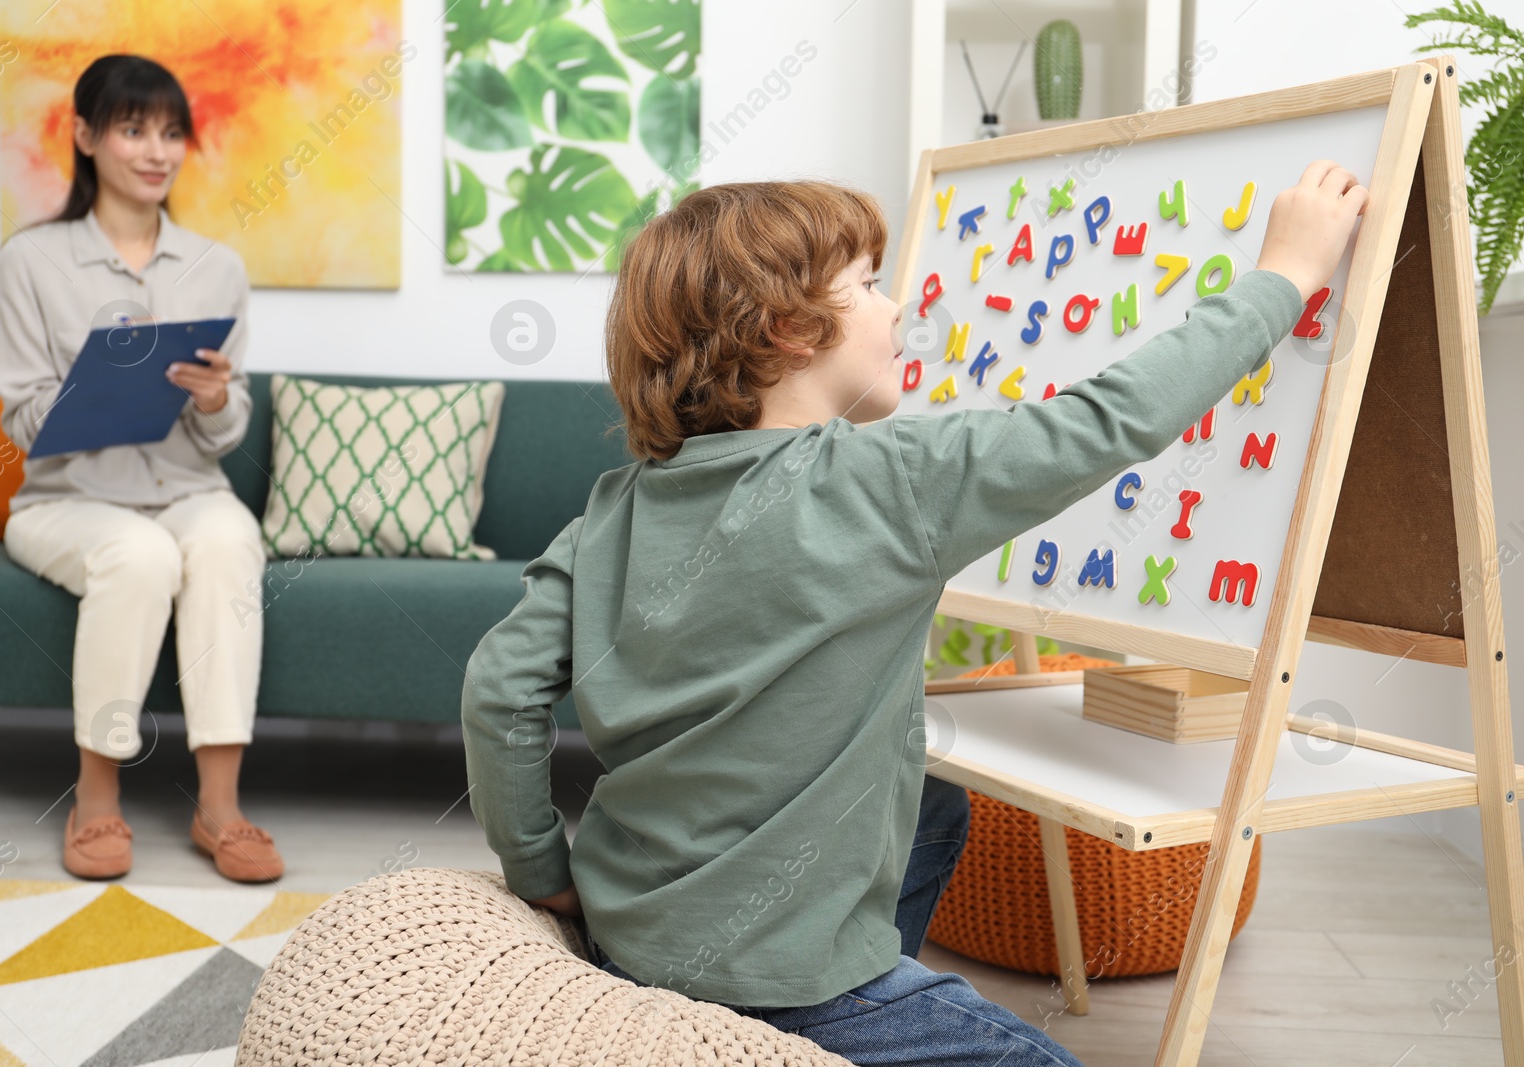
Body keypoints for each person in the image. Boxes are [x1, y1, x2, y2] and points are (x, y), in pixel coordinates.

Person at [461, 162, 1366, 1064]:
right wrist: (1283, 275)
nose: (898, 307)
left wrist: (543, 874)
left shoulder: (610, 510)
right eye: (865, 286)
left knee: (934, 798)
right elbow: (1110, 420)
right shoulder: (892, 480)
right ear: (788, 330)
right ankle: (832, 1019)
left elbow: (500, 691)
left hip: (630, 937)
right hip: (794, 984)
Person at [0, 54, 282, 883]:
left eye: (170, 132)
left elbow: (226, 437)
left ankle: (219, 807)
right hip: (66, 501)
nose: (156, 151)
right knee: (139, 554)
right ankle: (96, 796)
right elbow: (21, 422)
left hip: (187, 488)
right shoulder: (31, 261)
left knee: (228, 537)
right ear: (84, 136)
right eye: (132, 129)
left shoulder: (216, 266)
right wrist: (101, 387)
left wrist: (218, 398)